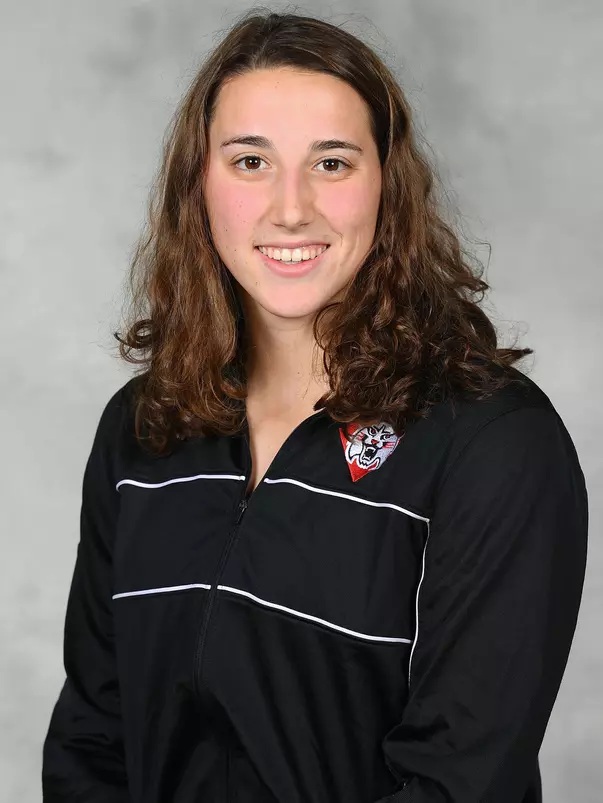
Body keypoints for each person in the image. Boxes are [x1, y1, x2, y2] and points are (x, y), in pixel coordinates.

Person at [41, 10, 588, 803]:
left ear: (386, 186)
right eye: (250, 160)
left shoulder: (492, 439)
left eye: (331, 162)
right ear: (199, 185)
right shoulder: (143, 429)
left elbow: (462, 781)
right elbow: (92, 738)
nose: (290, 207)